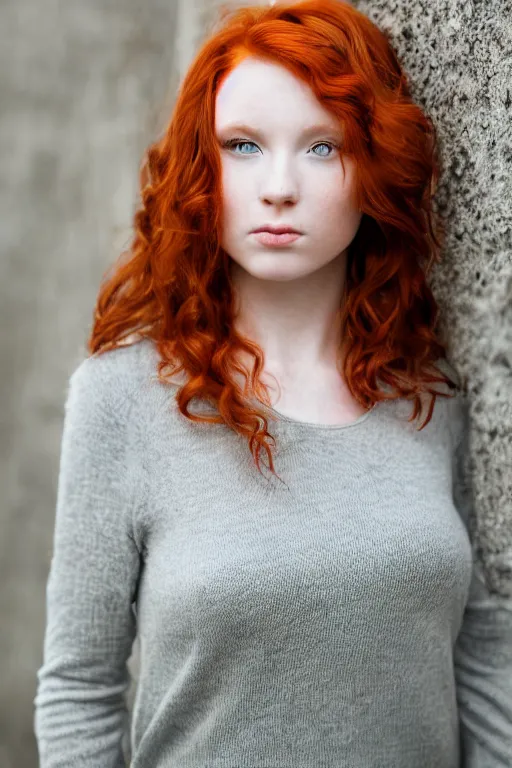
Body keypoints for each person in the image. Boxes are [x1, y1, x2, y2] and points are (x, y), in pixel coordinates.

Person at [34, 0, 512, 766]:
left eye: (323, 147)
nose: (279, 186)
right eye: (243, 146)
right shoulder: (122, 398)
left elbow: (483, 646)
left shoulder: (431, 395)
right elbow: (80, 691)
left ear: (375, 168)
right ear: (201, 164)